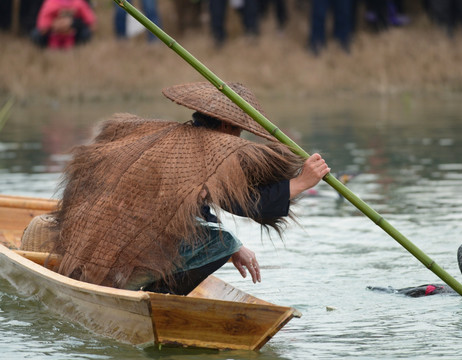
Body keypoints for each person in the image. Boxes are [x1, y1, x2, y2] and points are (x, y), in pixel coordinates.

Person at [51, 82, 330, 295]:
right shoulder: (213, 151)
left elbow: (193, 206)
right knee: (222, 240)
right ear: (225, 124)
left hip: (111, 244)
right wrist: (301, 182)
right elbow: (246, 203)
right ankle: (155, 296)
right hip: (130, 248)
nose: (239, 138)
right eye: (238, 130)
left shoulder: (167, 134)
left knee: (221, 238)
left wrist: (235, 248)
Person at [30, 0, 95, 49]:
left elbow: (87, 15)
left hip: (72, 31)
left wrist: (89, 23)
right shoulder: (50, 3)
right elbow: (45, 15)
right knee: (37, 35)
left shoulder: (78, 3)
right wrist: (48, 25)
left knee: (85, 33)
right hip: (53, 32)